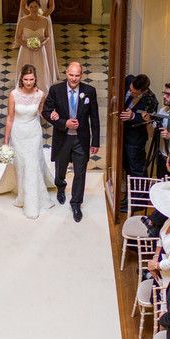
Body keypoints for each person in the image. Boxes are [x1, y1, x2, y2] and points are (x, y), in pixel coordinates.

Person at [42, 61, 100, 222]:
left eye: (77, 75)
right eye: (71, 75)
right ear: (66, 73)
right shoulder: (56, 90)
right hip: (62, 137)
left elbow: (94, 117)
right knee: (60, 168)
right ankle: (60, 187)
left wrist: (95, 141)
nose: (74, 79)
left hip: (81, 139)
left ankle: (76, 204)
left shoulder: (90, 91)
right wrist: (63, 122)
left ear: (81, 75)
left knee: (80, 172)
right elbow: (46, 111)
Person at [4, 63, 56, 219]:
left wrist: (53, 114)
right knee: (21, 165)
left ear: (35, 79)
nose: (28, 82)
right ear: (21, 79)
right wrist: (6, 139)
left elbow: (41, 112)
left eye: (31, 79)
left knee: (32, 164)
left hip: (34, 133)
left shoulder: (40, 94)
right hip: (18, 133)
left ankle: (32, 204)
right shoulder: (14, 94)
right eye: (26, 79)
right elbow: (10, 117)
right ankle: (22, 196)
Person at [18, 0, 59, 81]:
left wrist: (42, 18)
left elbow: (51, 7)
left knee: (46, 45)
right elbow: (22, 5)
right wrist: (31, 17)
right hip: (30, 19)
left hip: (45, 19)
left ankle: (47, 74)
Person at [14, 0, 56, 92]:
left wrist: (41, 44)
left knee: (40, 71)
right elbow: (17, 38)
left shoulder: (45, 21)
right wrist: (27, 45)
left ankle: (40, 90)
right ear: (28, 7)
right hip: (25, 50)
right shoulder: (22, 21)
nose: (33, 9)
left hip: (40, 50)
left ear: (39, 7)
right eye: (31, 7)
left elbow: (47, 36)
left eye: (36, 6)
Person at [120, 73, 158, 178]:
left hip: (135, 139)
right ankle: (128, 192)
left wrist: (133, 116)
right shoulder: (128, 80)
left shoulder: (151, 101)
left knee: (136, 169)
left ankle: (139, 194)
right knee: (124, 165)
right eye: (130, 89)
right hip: (120, 133)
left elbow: (149, 119)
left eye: (134, 92)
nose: (130, 92)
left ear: (143, 91)